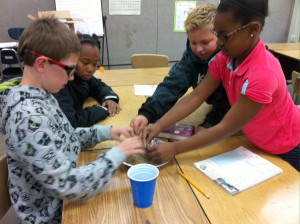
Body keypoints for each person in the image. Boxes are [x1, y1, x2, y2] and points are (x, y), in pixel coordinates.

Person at [0, 16, 145, 223]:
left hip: (63, 196)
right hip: (52, 215)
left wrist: (107, 132)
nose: (71, 77)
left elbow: (65, 137)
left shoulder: (42, 96)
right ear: (42, 64)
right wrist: (118, 153)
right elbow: (70, 187)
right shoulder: (28, 118)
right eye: (69, 69)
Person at [141, 0, 300, 171]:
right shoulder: (225, 58)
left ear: (253, 29)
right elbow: (196, 96)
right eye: (216, 34)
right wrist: (158, 125)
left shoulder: (263, 74)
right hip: (257, 142)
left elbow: (226, 128)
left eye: (224, 36)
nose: (218, 42)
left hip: (289, 145)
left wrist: (174, 149)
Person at [130, 4, 231, 134]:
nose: (199, 49)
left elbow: (228, 101)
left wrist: (209, 125)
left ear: (220, 36)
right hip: (214, 107)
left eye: (205, 42)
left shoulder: (229, 57)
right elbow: (171, 86)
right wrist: (147, 114)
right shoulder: (191, 57)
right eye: (193, 42)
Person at [53, 33, 121, 128]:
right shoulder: (60, 86)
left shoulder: (83, 77)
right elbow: (73, 121)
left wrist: (108, 99)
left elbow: (98, 86)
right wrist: (102, 109)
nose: (90, 69)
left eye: (94, 64)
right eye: (85, 62)